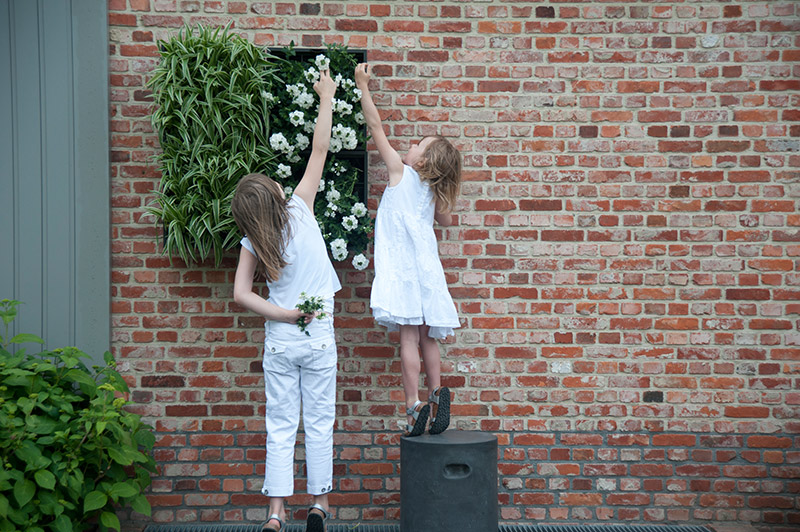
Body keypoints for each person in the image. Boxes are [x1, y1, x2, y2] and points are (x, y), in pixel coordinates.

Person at [232, 70, 338, 532]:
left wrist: (283, 314)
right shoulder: (300, 206)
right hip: (317, 338)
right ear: (275, 195)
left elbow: (240, 294)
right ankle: (318, 505)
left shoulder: (253, 240)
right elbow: (319, 148)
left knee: (279, 426)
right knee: (318, 422)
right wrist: (326, 96)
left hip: (279, 341)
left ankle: (275, 515)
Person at [355, 63, 462, 438]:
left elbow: (375, 127)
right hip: (427, 271)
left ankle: (413, 403)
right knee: (428, 336)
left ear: (422, 161)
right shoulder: (433, 191)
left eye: (419, 145)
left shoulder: (401, 175)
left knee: (408, 338)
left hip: (402, 269)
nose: (411, 145)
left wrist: (362, 86)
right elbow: (447, 222)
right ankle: (437, 391)